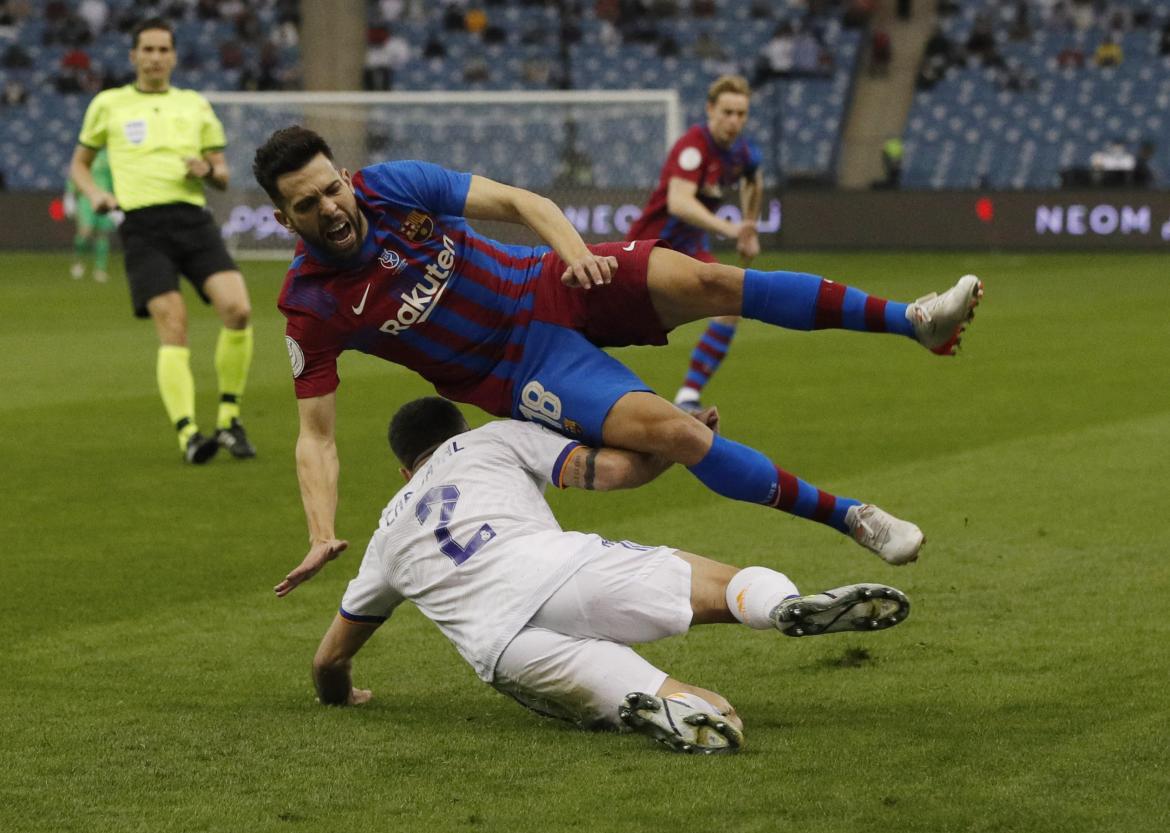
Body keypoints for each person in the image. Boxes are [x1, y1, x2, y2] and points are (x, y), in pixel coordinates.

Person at [251, 125, 984, 596]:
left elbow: (522, 202)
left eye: (331, 188)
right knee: (679, 433)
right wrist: (320, 532)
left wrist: (574, 255)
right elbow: (315, 434)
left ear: (345, 175)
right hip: (521, 371)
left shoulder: (392, 186)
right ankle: (854, 518)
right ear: (285, 219)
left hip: (552, 280)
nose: (331, 208)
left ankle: (913, 321)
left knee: (711, 282)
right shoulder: (309, 304)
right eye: (308, 205)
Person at [309, 397, 913, 754]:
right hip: (561, 569)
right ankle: (780, 605)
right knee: (722, 588)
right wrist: (676, 443)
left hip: (505, 647)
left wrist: (344, 695)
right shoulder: (493, 439)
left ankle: (670, 705)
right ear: (459, 430)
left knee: (715, 716)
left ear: (403, 472)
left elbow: (329, 661)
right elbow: (611, 471)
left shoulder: (386, 537)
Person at [69, 17, 257, 464]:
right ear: (133, 55)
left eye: (163, 50)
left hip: (193, 219)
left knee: (239, 309)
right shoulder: (108, 104)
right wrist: (95, 195)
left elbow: (222, 173)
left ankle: (228, 420)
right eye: (147, 49)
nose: (155, 57)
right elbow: (79, 163)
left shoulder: (194, 105)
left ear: (173, 56)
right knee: (173, 323)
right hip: (142, 226)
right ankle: (189, 433)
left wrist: (207, 170)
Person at [625, 75, 763, 413]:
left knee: (732, 301)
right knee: (612, 324)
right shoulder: (693, 147)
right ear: (710, 110)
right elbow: (679, 202)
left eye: (741, 114)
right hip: (650, 248)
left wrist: (750, 227)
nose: (734, 121)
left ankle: (688, 396)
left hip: (689, 248)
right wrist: (731, 229)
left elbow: (754, 180)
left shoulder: (742, 152)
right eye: (727, 112)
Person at [64, 146, 114, 282]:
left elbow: (114, 178)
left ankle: (100, 269)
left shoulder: (108, 156)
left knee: (103, 234)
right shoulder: (85, 152)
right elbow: (75, 173)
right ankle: (78, 261)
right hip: (86, 198)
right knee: (85, 232)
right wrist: (70, 195)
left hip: (104, 197)